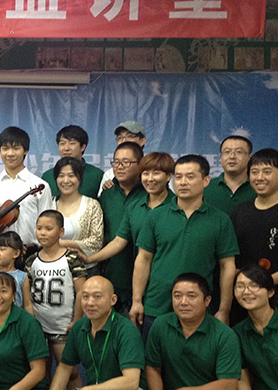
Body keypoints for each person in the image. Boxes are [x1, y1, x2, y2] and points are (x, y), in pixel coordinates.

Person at [131, 155, 239, 337]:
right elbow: (143, 259)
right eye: (178, 177)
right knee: (152, 354)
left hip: (198, 309)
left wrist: (224, 310)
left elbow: (227, 266)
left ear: (206, 181)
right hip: (156, 306)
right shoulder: (156, 216)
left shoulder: (220, 220)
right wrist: (136, 300)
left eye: (190, 177)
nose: (182, 182)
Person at [231, 148, 278, 319]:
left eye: (267, 172)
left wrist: (268, 281)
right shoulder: (239, 211)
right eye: (254, 172)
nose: (259, 177)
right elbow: (231, 257)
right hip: (244, 303)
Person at [81, 152, 174, 267]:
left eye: (156, 173)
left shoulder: (177, 206)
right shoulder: (135, 206)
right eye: (145, 173)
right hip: (139, 269)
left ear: (169, 176)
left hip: (169, 270)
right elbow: (119, 242)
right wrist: (89, 259)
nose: (150, 179)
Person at [26, 210, 86, 387]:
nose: (42, 233)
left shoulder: (72, 258)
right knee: (41, 372)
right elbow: (27, 293)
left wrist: (76, 320)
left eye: (48, 228)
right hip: (38, 326)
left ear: (61, 232)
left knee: (70, 371)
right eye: (39, 228)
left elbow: (82, 292)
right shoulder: (31, 261)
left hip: (63, 326)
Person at [0, 127, 52, 254]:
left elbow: (49, 224)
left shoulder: (40, 186)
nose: (10, 153)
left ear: (25, 150)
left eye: (16, 148)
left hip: (32, 254)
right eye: (5, 148)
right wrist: (3, 241)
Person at [98, 142, 146, 315]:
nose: (119, 167)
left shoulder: (150, 193)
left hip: (146, 280)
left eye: (126, 162)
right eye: (116, 162)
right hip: (113, 276)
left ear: (140, 164)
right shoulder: (107, 194)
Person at [52, 157, 104, 274]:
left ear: (79, 178)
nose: (66, 180)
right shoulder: (49, 203)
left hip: (86, 269)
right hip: (54, 270)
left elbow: (96, 241)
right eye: (61, 176)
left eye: (71, 175)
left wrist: (63, 243)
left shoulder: (92, 205)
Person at [41, 125, 104, 199]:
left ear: (82, 147)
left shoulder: (97, 175)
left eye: (72, 143)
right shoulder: (48, 176)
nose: (66, 148)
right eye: (62, 143)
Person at [0, 231, 32, 313]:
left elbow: (27, 304)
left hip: (16, 320)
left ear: (16, 253)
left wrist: (30, 320)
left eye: (2, 249)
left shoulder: (22, 277)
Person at [204, 135, 255, 215]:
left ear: (250, 157)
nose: (232, 157)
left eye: (239, 152)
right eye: (227, 152)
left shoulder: (258, 187)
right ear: (221, 156)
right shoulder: (205, 187)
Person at [98, 121, 147, 195]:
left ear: (142, 140)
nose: (123, 141)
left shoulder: (153, 170)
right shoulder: (110, 174)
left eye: (130, 136)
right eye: (120, 137)